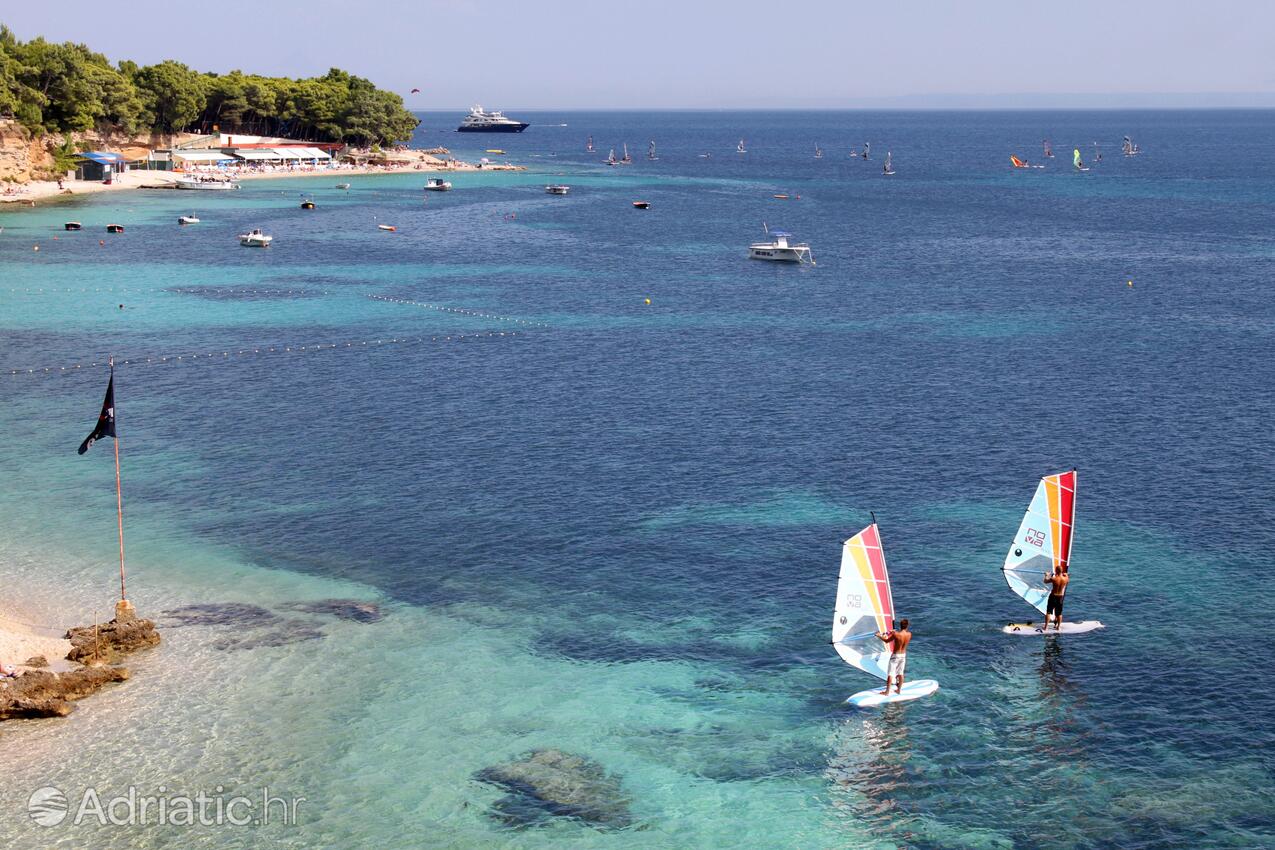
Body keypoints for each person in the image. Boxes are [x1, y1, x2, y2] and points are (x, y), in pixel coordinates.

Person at [874, 618, 911, 695]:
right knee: (901, 673)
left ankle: (887, 692)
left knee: (890, 674)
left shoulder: (896, 634)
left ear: (900, 625)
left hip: (895, 655)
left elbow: (886, 641)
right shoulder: (909, 634)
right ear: (907, 626)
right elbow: (899, 636)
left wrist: (879, 635)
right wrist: (893, 633)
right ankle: (899, 690)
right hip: (903, 655)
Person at [1043, 565, 1069, 631]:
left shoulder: (1054, 578)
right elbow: (1067, 578)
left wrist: (1046, 575)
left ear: (1056, 571)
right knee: (1059, 613)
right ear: (1062, 571)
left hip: (1053, 596)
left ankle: (1046, 627)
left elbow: (1045, 581)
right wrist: (1065, 575)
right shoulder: (1066, 579)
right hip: (1060, 597)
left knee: (1048, 612)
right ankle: (1058, 627)